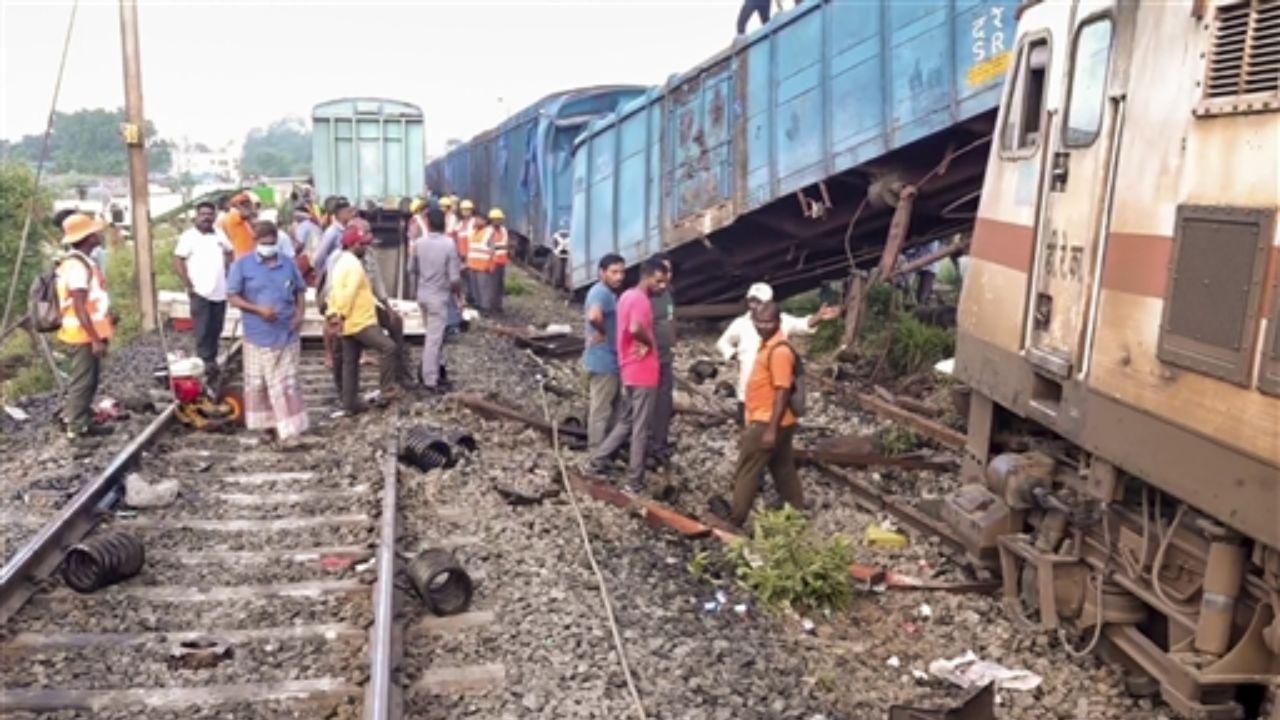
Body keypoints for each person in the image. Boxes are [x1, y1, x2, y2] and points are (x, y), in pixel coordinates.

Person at [713, 301, 805, 527]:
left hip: (768, 421)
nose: (763, 326)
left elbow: (782, 391)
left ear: (779, 322)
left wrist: (771, 430)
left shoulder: (779, 351)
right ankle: (798, 512)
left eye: (769, 322)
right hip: (779, 421)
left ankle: (735, 520)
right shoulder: (769, 345)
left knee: (748, 468)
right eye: (759, 322)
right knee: (782, 467)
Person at [585, 257, 670, 492]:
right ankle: (635, 481)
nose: (662, 287)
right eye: (659, 281)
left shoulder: (625, 297)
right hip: (644, 371)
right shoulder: (641, 300)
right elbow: (635, 327)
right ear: (648, 277)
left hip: (628, 368)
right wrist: (648, 342)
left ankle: (596, 461)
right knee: (640, 427)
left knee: (626, 421)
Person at [226, 222, 309, 444]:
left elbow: (300, 290)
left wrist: (300, 314)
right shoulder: (242, 265)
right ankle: (268, 426)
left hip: (286, 332)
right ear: (256, 243)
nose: (268, 247)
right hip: (257, 334)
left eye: (272, 243)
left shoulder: (288, 264)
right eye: (264, 243)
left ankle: (290, 430)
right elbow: (232, 296)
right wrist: (257, 310)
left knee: (285, 382)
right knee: (260, 383)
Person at [716, 282, 839, 420]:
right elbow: (722, 343)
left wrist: (819, 317)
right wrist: (733, 354)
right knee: (748, 425)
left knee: (774, 420)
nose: (754, 305)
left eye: (759, 301)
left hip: (774, 387)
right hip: (747, 387)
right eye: (752, 300)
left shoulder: (781, 320)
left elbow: (803, 325)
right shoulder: (740, 323)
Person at [325, 223, 403, 413]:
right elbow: (348, 293)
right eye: (363, 244)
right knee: (388, 348)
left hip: (348, 322)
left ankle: (350, 403)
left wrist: (333, 313)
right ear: (354, 245)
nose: (366, 247)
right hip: (360, 320)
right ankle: (387, 389)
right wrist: (340, 315)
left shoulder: (342, 261)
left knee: (350, 362)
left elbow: (335, 291)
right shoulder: (353, 265)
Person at [55, 213, 115, 440]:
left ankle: (85, 422)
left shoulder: (82, 262)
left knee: (90, 380)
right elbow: (80, 306)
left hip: (87, 333)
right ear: (87, 237)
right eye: (94, 232)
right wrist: (94, 339)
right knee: (83, 382)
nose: (98, 234)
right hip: (81, 335)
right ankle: (76, 429)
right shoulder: (76, 266)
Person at [173, 201, 233, 380]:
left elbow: (230, 252)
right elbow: (178, 260)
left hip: (220, 291)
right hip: (200, 291)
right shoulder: (188, 237)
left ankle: (211, 360)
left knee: (216, 327)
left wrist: (229, 271)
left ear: (214, 216)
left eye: (210, 214)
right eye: (203, 214)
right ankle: (204, 362)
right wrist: (189, 284)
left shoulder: (219, 235)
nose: (206, 217)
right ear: (196, 216)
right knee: (203, 328)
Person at [409, 207, 463, 393]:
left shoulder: (419, 243)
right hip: (439, 298)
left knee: (432, 336)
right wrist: (458, 296)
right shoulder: (449, 244)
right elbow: (455, 278)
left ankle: (433, 371)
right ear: (444, 224)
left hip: (422, 296)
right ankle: (430, 379)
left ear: (429, 224)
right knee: (434, 339)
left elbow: (411, 269)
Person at [582, 253, 626, 450]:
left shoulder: (606, 293)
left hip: (610, 360)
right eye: (614, 272)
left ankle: (606, 450)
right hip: (603, 361)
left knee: (610, 408)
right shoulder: (601, 292)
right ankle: (595, 453)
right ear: (602, 273)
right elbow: (594, 316)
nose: (619, 277)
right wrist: (602, 331)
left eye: (621, 272)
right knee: (601, 410)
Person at [314, 198, 355, 368]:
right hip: (333, 281)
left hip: (346, 280)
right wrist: (325, 275)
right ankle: (329, 355)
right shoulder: (332, 233)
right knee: (330, 319)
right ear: (339, 214)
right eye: (347, 212)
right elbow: (318, 258)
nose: (350, 214)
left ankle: (354, 354)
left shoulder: (348, 230)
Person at [649, 253, 676, 468]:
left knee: (664, 401)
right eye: (662, 272)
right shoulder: (648, 297)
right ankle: (652, 446)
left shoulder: (668, 293)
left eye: (669, 271)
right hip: (651, 359)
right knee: (652, 402)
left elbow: (670, 319)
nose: (667, 276)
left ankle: (660, 442)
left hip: (667, 356)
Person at [465, 213, 494, 312]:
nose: (476, 221)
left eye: (479, 220)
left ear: (485, 222)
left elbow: (491, 251)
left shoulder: (488, 233)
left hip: (483, 266)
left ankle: (485, 307)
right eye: (476, 220)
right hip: (472, 265)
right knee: (475, 287)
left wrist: (490, 265)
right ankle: (477, 305)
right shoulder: (473, 232)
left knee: (483, 288)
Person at [485, 207, 510, 313]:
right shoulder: (488, 231)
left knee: (500, 285)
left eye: (500, 219)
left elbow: (505, 245)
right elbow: (487, 246)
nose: (498, 221)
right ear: (491, 220)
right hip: (493, 262)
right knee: (492, 285)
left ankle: (498, 305)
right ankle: (492, 306)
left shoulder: (503, 230)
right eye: (496, 219)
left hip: (502, 261)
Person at [292, 205, 323, 285]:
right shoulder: (315, 226)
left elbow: (299, 244)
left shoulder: (303, 226)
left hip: (306, 258)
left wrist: (292, 255)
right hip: (317, 258)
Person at [222, 192, 258, 259]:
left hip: (250, 254)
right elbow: (247, 213)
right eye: (243, 204)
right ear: (237, 206)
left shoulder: (244, 219)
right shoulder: (233, 215)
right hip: (242, 255)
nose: (247, 206)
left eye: (248, 203)